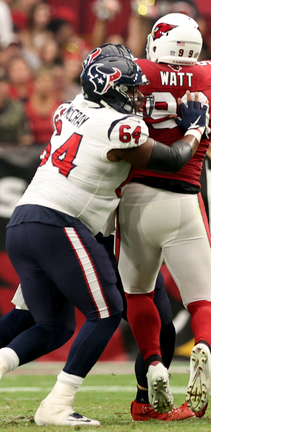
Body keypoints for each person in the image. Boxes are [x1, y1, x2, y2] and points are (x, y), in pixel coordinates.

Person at [0, 53, 207, 426]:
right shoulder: (119, 127)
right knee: (106, 311)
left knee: (54, 326)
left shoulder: (69, 108)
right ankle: (56, 405)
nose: (136, 96)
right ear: (109, 91)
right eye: (128, 89)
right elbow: (173, 159)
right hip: (59, 222)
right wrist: (194, 129)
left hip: (24, 221)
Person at [117, 12, 212, 417]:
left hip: (136, 197)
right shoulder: (210, 76)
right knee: (204, 301)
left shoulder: (134, 71)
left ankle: (154, 362)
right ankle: (204, 347)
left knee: (139, 293)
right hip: (186, 198)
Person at [0, 65, 32, 146]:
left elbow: (26, 138)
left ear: (8, 86)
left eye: (1, 84)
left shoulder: (18, 109)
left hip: (12, 155)